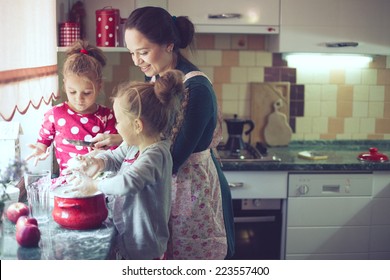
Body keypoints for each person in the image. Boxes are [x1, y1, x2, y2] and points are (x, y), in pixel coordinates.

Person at [124, 6, 235, 260]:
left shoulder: (195, 89)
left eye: (143, 52)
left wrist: (126, 177)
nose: (136, 61)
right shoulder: (158, 77)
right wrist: (122, 140)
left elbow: (173, 157)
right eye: (132, 52)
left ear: (169, 44)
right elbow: (156, 132)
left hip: (192, 192)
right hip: (169, 187)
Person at [65, 70, 184, 260]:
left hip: (146, 247)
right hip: (128, 238)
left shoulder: (156, 154)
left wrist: (94, 185)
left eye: (119, 121)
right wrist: (97, 162)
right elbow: (113, 157)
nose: (117, 127)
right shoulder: (133, 145)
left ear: (137, 125)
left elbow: (128, 182)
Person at [26, 40, 122, 177]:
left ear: (99, 86)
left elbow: (115, 153)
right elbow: (44, 140)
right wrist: (40, 149)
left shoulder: (107, 115)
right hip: (66, 181)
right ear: (65, 86)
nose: (79, 99)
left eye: (87, 93)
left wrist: (105, 150)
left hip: (99, 181)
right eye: (72, 92)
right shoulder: (55, 114)